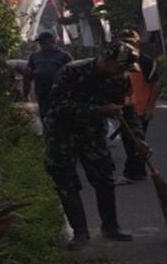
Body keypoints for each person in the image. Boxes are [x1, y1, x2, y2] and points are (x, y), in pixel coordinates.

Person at [42, 40, 149, 248]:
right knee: (65, 180)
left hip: (93, 133)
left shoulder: (122, 80)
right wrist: (98, 110)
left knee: (104, 178)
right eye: (119, 67)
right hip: (61, 131)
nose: (121, 73)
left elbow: (128, 110)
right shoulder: (72, 72)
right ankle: (80, 232)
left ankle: (111, 226)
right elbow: (58, 106)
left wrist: (138, 138)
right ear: (107, 60)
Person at [116, 29, 159, 181]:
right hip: (123, 108)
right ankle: (139, 171)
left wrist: (150, 108)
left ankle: (130, 173)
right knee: (130, 141)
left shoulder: (145, 61)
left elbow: (154, 85)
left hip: (139, 109)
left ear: (137, 42)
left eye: (130, 42)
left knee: (134, 141)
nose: (127, 45)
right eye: (124, 42)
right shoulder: (119, 60)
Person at [26, 31, 72, 120]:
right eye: (40, 42)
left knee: (59, 112)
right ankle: (46, 131)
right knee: (43, 112)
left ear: (53, 41)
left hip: (59, 90)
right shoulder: (35, 56)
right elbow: (29, 71)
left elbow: (71, 72)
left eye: (44, 41)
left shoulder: (63, 56)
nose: (42, 44)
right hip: (41, 88)